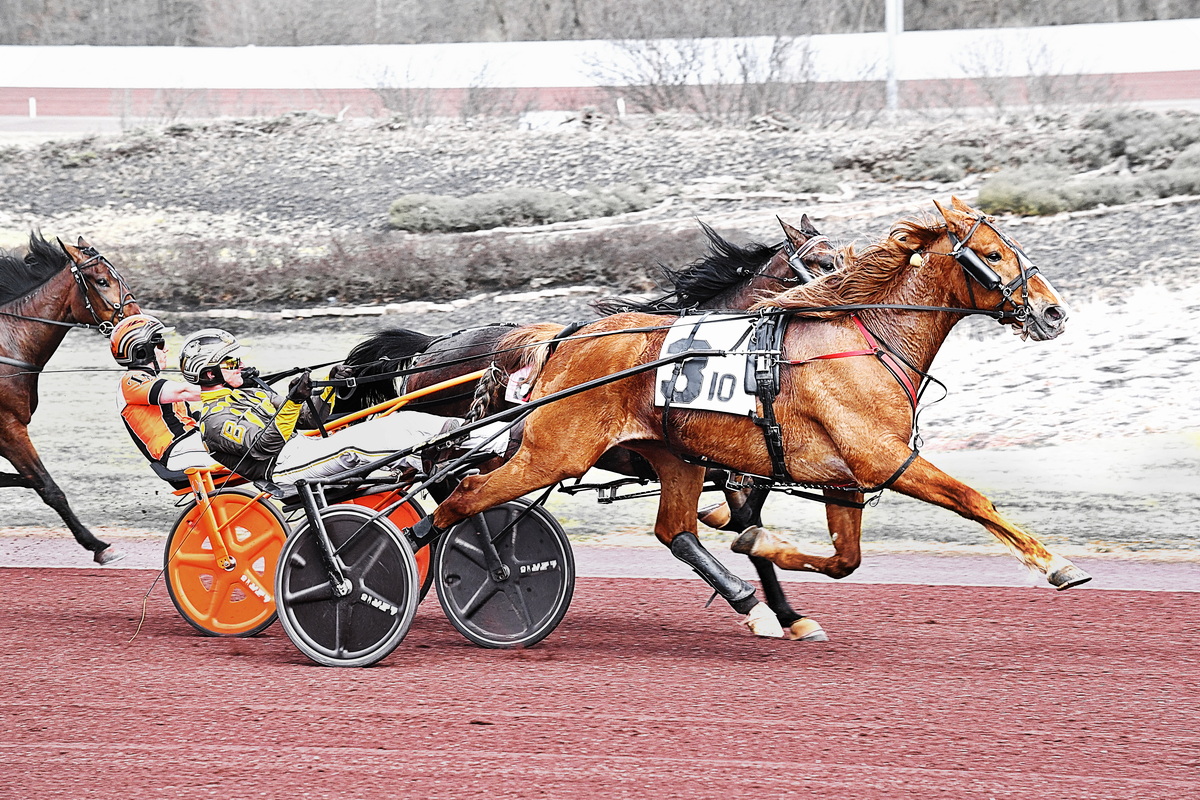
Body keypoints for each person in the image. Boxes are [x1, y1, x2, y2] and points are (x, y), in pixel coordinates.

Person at [179, 328, 510, 486]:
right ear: (209, 373)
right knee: (370, 438)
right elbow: (266, 446)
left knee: (401, 422)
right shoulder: (214, 420)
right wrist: (293, 400)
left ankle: (487, 438)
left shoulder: (252, 395)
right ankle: (493, 439)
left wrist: (330, 386)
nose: (239, 365)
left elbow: (309, 420)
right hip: (283, 469)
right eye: (231, 361)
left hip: (306, 450)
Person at [111, 314, 217, 485]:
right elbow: (184, 391)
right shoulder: (131, 381)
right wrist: (228, 386)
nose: (166, 349)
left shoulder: (151, 382)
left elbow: (196, 415)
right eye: (160, 344)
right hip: (179, 452)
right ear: (141, 350)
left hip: (193, 444)